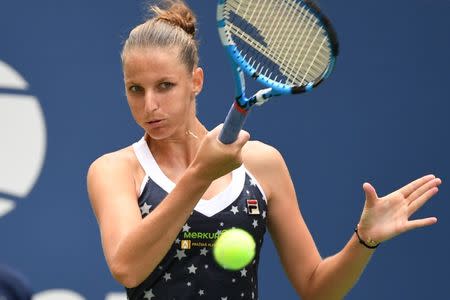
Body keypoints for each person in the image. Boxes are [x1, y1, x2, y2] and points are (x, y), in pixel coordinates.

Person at [87, 1, 442, 299]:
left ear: (196, 82)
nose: (149, 105)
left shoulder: (263, 164)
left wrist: (364, 241)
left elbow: (315, 287)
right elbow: (128, 269)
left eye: (165, 85)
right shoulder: (116, 170)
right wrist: (200, 175)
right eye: (135, 89)